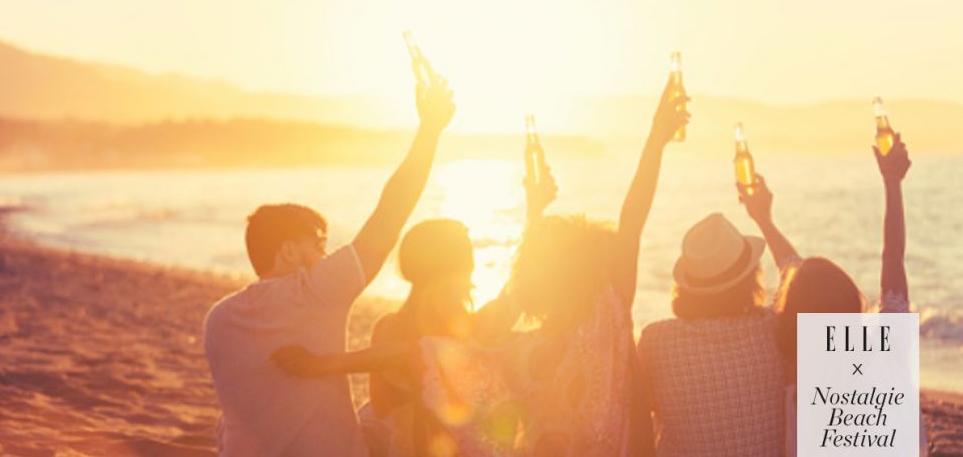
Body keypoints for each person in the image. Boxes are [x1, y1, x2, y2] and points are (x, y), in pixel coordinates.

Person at [274, 74, 689, 456]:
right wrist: (655, 140)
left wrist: (324, 364)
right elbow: (632, 220)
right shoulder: (606, 315)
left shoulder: (525, 349)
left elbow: (415, 352)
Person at [202, 61, 456, 456]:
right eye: (318, 244)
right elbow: (392, 212)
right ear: (288, 251)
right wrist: (430, 129)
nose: (324, 254)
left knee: (227, 423)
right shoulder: (315, 292)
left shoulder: (217, 319)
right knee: (402, 401)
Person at [738, 134, 919, 456]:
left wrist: (763, 219)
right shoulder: (888, 344)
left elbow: (791, 269)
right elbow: (893, 255)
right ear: (851, 300)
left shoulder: (797, 380)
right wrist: (893, 182)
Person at [635, 211, 786, 457]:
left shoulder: (657, 341)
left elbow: (644, 408)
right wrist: (764, 218)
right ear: (751, 277)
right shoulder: (777, 329)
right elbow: (802, 275)